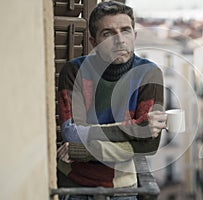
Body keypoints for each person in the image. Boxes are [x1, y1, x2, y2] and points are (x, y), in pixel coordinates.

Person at [57, 1, 166, 199]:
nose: (120, 40)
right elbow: (71, 134)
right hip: (72, 185)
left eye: (125, 31)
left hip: (122, 188)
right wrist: (135, 128)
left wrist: (84, 151)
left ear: (134, 35)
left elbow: (149, 144)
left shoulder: (149, 74)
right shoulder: (74, 71)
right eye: (108, 33)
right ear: (93, 41)